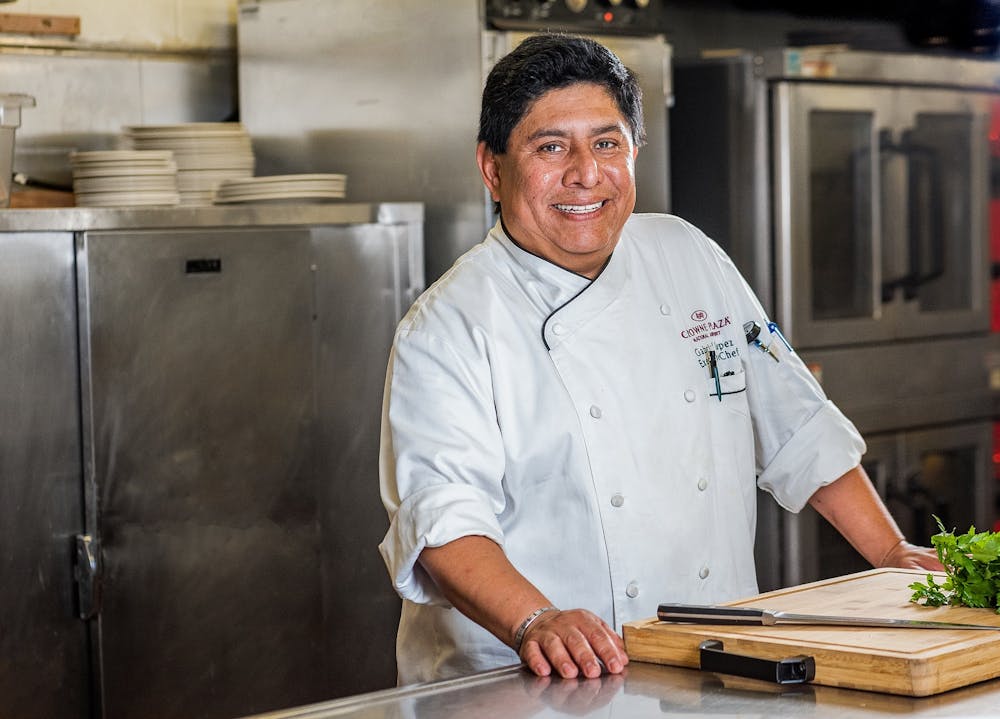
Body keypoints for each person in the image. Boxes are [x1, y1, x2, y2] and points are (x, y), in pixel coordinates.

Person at [378, 33, 942, 686]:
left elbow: (798, 423)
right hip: (531, 682)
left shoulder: (687, 254)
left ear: (634, 152)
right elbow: (446, 520)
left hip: (710, 665)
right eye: (551, 146)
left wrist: (892, 552)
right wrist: (536, 620)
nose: (586, 172)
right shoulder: (449, 325)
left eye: (607, 142)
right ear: (491, 167)